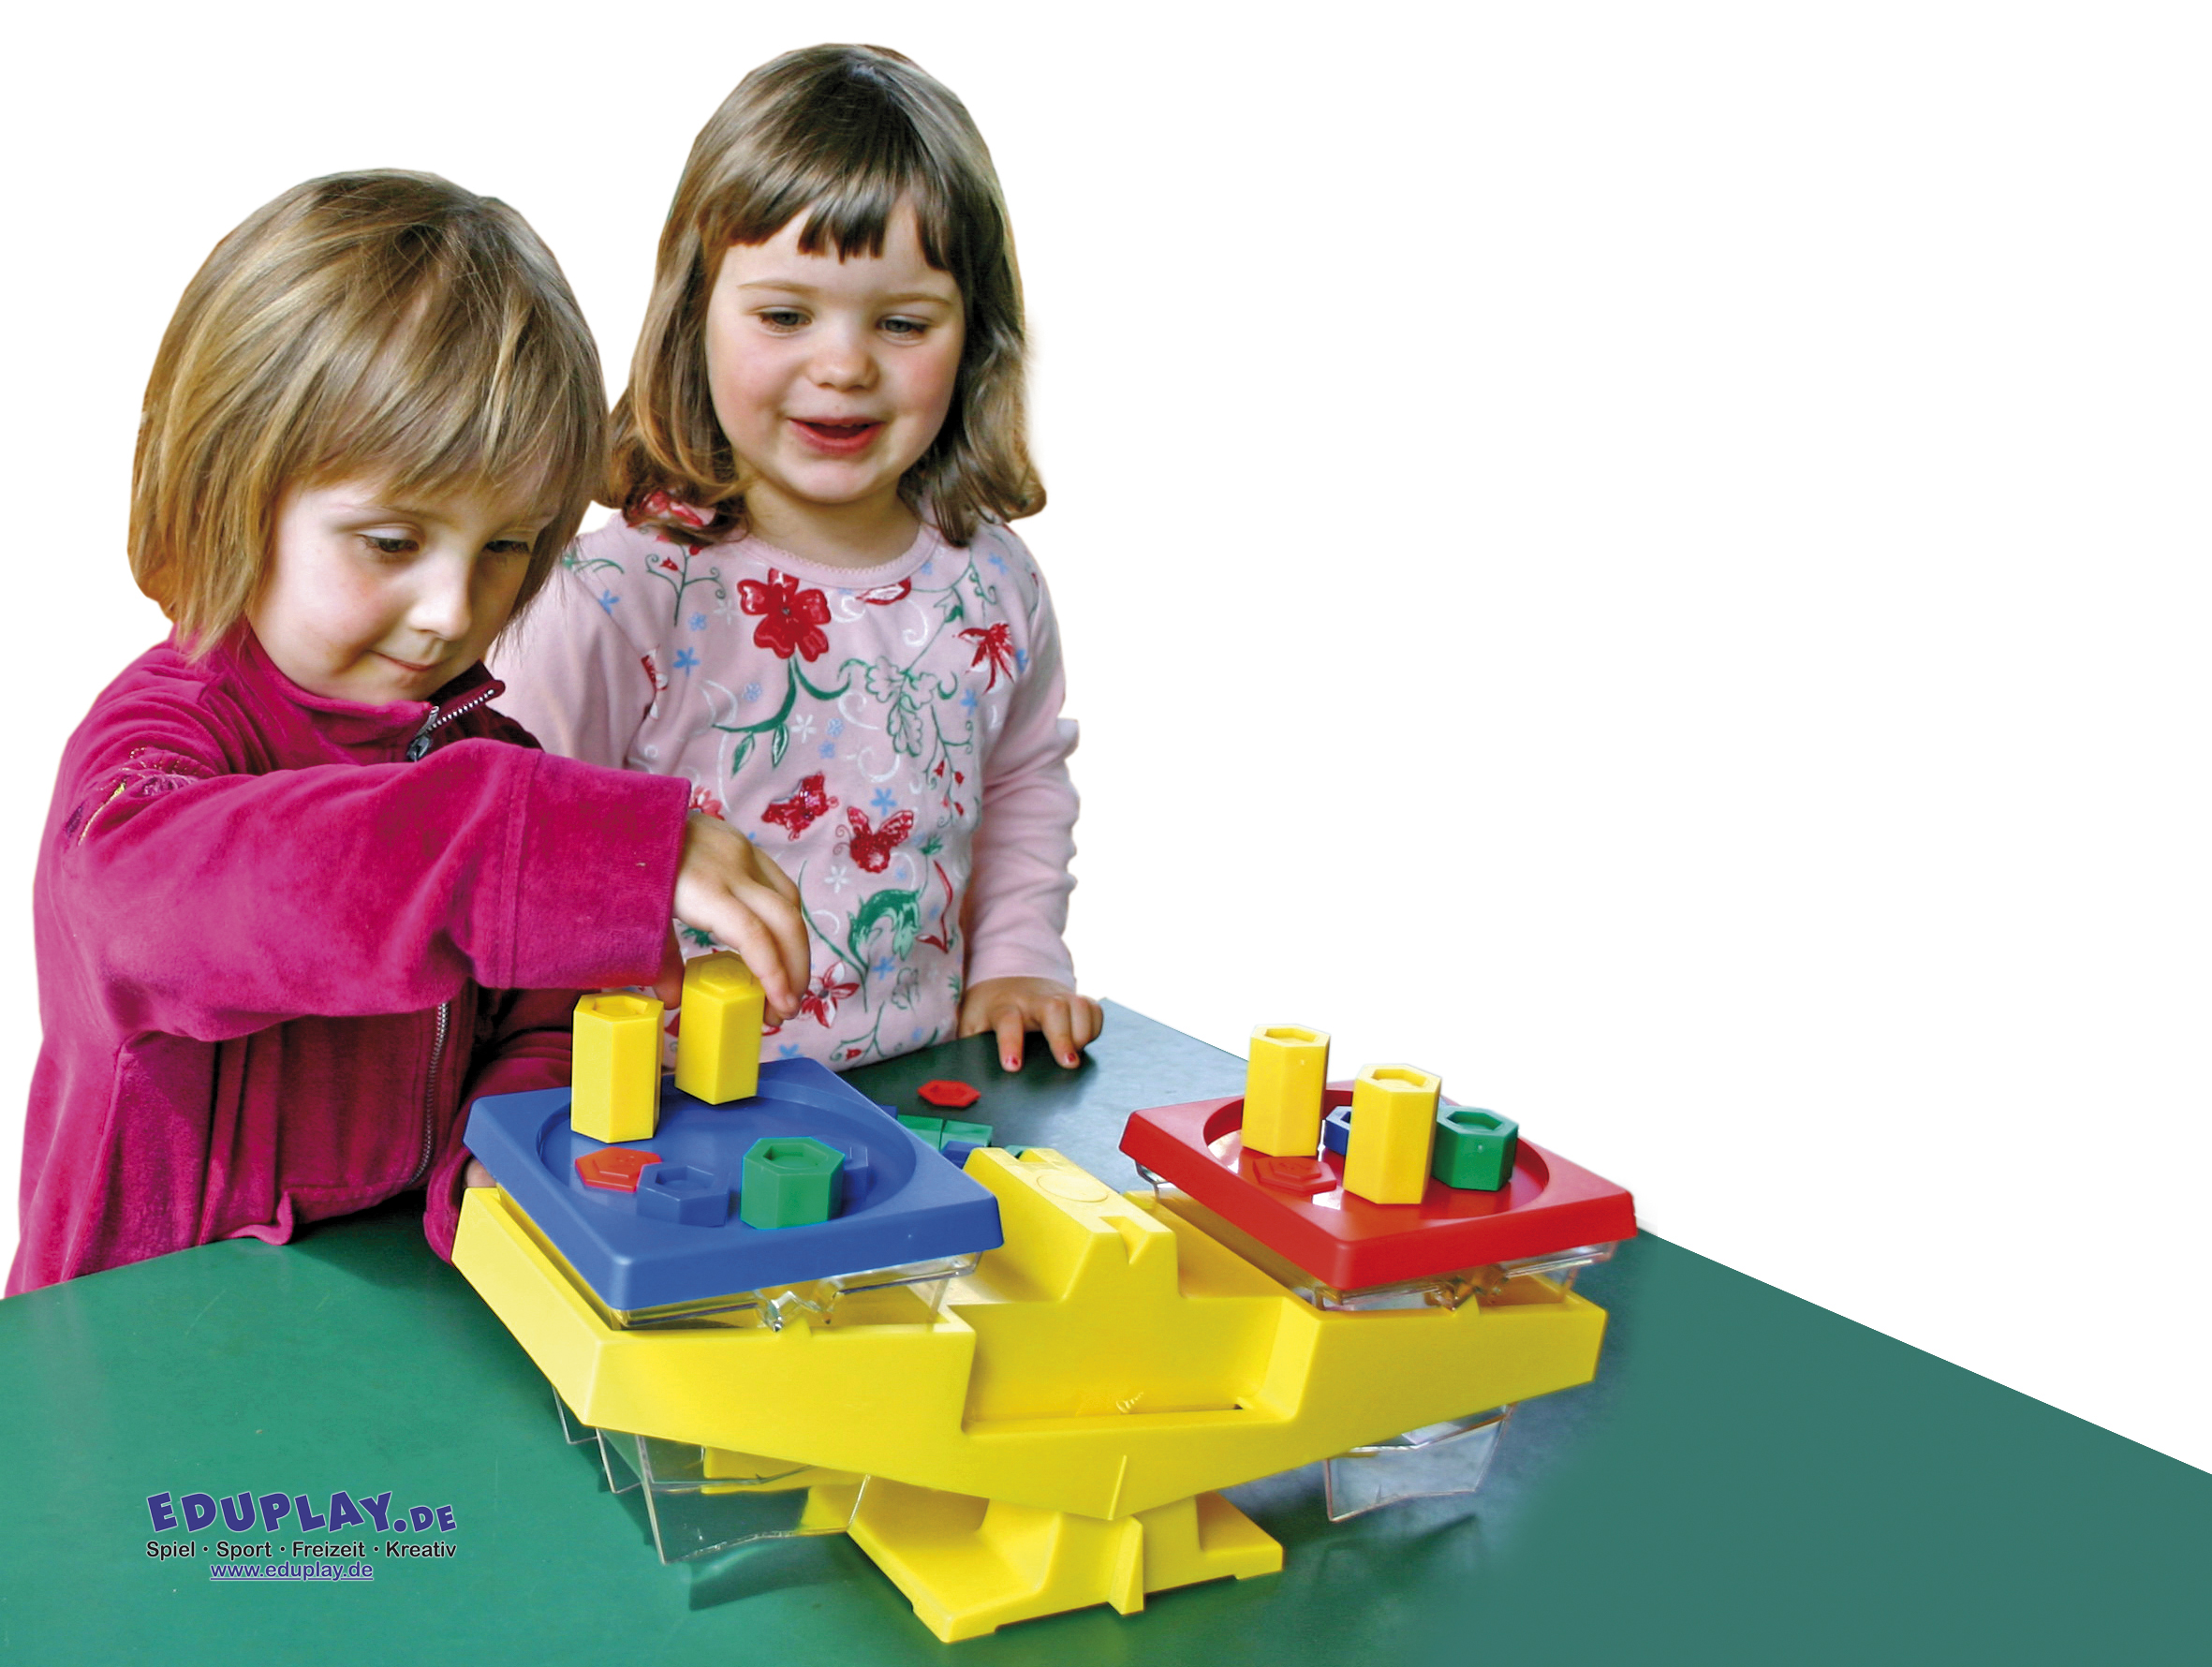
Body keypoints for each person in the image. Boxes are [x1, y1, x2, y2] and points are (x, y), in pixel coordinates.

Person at [8, 171, 810, 1293]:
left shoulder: (490, 754)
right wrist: (545, 841)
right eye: (391, 542)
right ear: (230, 494)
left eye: (504, 546)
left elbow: (539, 1027)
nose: (450, 608)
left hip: (395, 1321)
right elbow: (185, 912)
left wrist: (503, 1164)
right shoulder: (153, 747)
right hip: (144, 1343)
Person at [493, 44, 1100, 1076]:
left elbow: (1022, 780)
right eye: (784, 315)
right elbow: (506, 825)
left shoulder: (994, 583)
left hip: (925, 1109)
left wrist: (1016, 959)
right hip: (663, 1119)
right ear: (695, 314)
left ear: (975, 333)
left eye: (902, 323)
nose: (844, 364)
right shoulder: (619, 594)